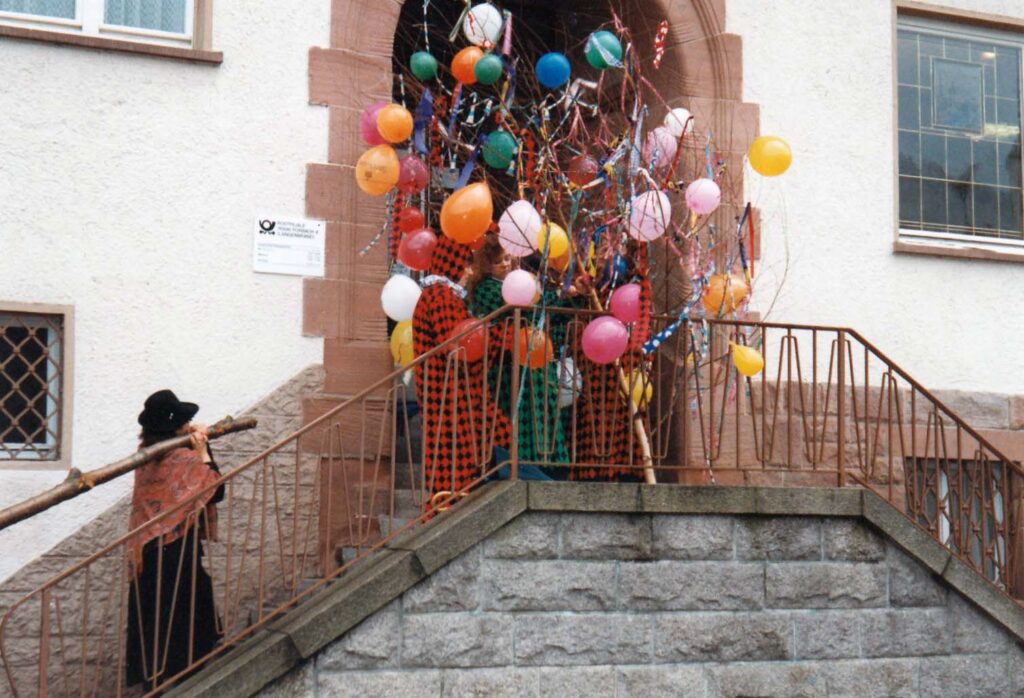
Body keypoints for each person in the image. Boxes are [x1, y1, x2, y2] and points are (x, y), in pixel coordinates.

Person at [125, 389, 224, 690]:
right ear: (175, 426)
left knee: (153, 619)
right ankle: (185, 678)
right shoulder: (181, 456)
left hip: (149, 552)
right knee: (188, 615)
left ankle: (152, 684)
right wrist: (203, 450)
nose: (188, 425)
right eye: (184, 422)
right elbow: (216, 489)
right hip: (176, 552)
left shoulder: (148, 457)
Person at [412, 236, 511, 506]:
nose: (469, 272)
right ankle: (452, 504)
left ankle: (461, 498)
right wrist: (503, 337)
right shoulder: (440, 296)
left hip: (453, 390)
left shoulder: (442, 295)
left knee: (475, 443)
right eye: (465, 265)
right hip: (448, 391)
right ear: (452, 264)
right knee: (459, 450)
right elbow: (459, 343)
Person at [467, 234, 568, 477]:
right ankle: (524, 467)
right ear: (485, 266)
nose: (505, 264)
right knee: (521, 416)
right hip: (509, 368)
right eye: (498, 261)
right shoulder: (486, 289)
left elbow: (538, 309)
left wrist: (569, 294)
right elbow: (524, 307)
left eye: (508, 259)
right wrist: (563, 294)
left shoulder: (516, 283)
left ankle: (547, 465)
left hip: (532, 363)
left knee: (541, 414)